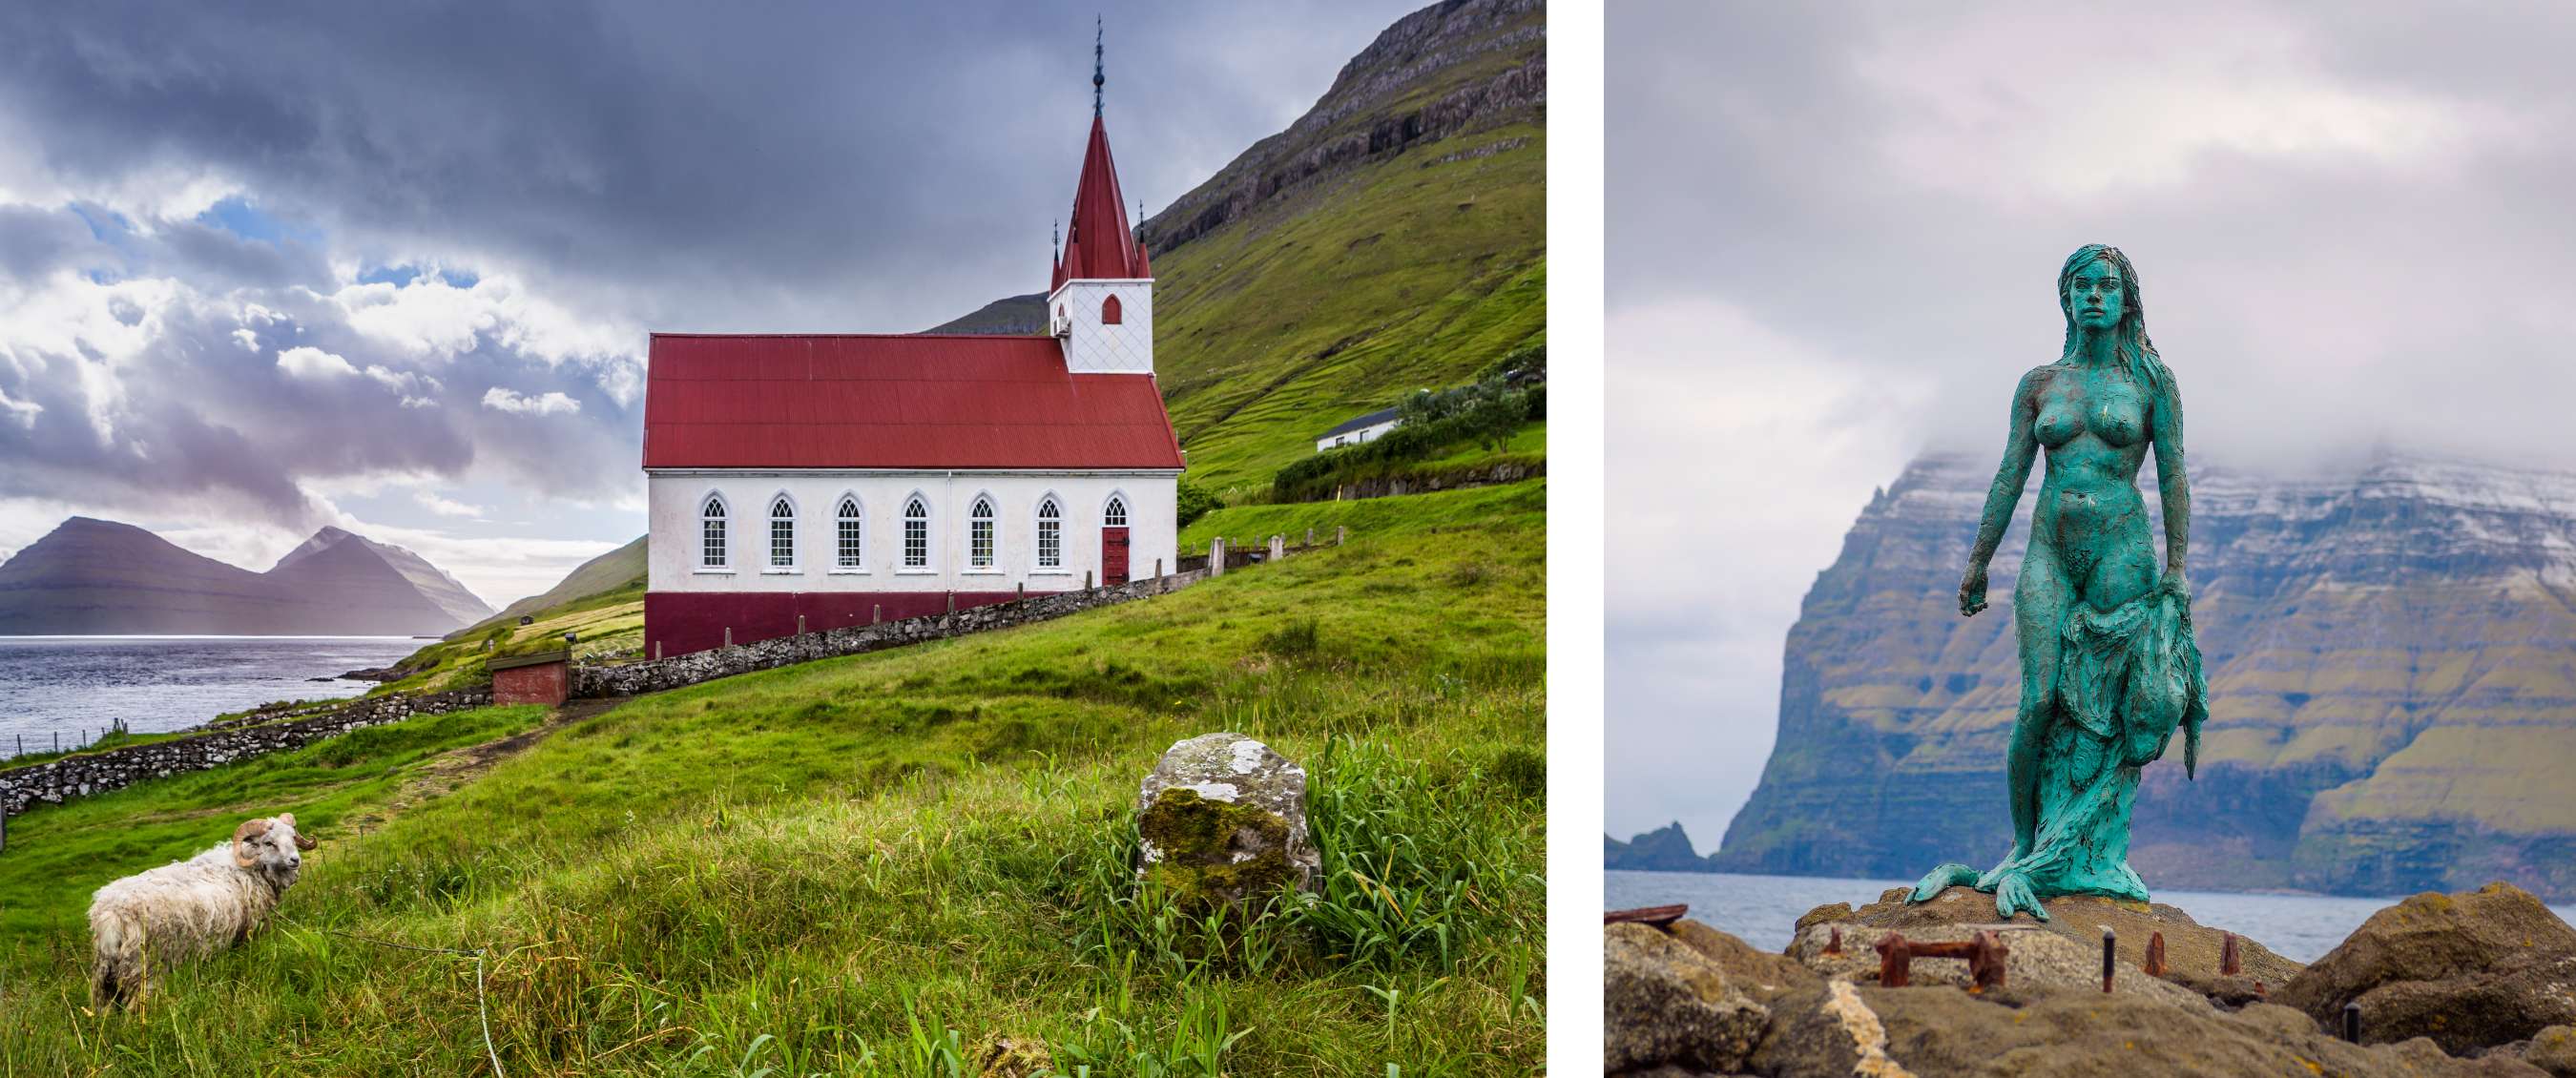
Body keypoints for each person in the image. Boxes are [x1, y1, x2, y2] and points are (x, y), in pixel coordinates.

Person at [1908, 244, 2208, 922]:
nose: (2095, 295)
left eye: (2107, 285)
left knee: (2104, 711)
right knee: (2039, 698)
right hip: (2050, 548)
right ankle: (2024, 846)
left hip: (2122, 550)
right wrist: (1979, 559)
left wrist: (2178, 570)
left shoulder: (2153, 382)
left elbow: (2174, 476)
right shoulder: (2039, 383)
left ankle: (2089, 854)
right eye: (2082, 285)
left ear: (2127, 299)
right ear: (2066, 298)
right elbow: (2012, 473)